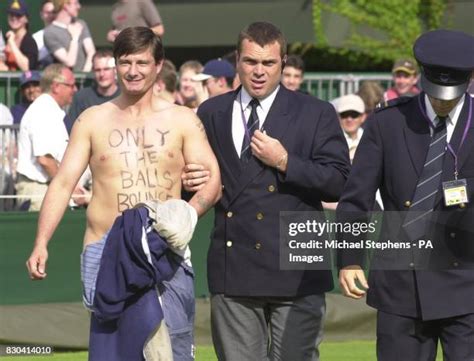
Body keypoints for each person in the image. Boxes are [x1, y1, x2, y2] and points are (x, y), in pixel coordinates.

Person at [26, 27, 221, 361]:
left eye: (142, 62)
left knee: (172, 353)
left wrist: (189, 215)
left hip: (166, 253)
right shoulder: (91, 120)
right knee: (111, 354)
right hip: (104, 252)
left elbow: (212, 180)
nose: (133, 70)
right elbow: (62, 183)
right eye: (125, 61)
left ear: (159, 65)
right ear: (115, 65)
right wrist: (41, 242)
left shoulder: (182, 119)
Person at [183, 21, 350, 361]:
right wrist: (190, 182)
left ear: (283, 63)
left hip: (299, 264)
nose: (259, 71)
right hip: (235, 266)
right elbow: (200, 185)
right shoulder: (211, 112)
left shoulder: (315, 112)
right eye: (250, 62)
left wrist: (286, 161)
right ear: (237, 63)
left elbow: (340, 181)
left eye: (268, 63)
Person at [338, 29, 474, 361]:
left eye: (451, 92)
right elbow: (356, 198)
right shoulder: (387, 123)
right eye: (436, 91)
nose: (443, 100)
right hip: (400, 284)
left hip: (468, 282)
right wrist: (350, 258)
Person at [15, 64, 86, 212]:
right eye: (71, 85)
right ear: (56, 87)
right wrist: (69, 188)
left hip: (46, 188)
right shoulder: (44, 110)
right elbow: (45, 160)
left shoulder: (49, 110)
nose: (75, 90)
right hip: (39, 192)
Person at [66, 49, 120, 133]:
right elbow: (72, 130)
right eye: (98, 70)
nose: (102, 74)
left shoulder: (125, 95)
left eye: (106, 69)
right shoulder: (81, 98)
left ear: (115, 70)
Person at [44, 0, 96, 72]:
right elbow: (70, 62)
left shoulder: (80, 24)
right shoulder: (50, 32)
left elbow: (91, 51)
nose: (79, 6)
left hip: (86, 77)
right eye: (75, 3)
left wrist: (85, 73)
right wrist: (74, 38)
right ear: (66, 6)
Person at [4, 0, 38, 71]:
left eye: (18, 15)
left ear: (26, 19)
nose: (14, 18)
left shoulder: (29, 42)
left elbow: (26, 68)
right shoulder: (6, 38)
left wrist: (12, 43)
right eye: (11, 14)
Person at [32, 0, 55, 69]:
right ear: (41, 14)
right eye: (47, 12)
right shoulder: (35, 38)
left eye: (53, 12)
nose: (51, 15)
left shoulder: (66, 34)